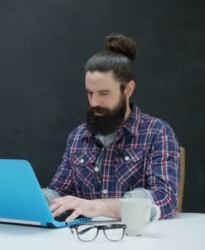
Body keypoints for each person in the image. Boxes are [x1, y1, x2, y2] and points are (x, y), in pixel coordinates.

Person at [45, 34, 181, 223]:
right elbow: (61, 192)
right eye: (90, 93)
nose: (94, 102)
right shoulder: (77, 136)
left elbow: (165, 199)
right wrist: (41, 200)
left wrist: (98, 206)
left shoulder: (157, 133)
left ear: (128, 89)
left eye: (104, 93)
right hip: (84, 239)